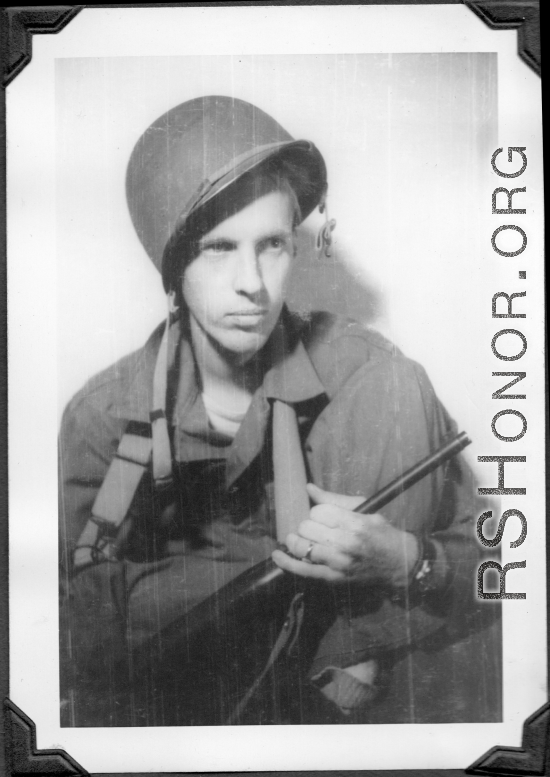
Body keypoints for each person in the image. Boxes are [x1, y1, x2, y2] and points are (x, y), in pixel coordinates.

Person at [59, 95, 501, 727]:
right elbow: (56, 623)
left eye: (273, 244)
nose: (253, 283)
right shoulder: (105, 419)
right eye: (218, 248)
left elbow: (501, 564)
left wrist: (406, 557)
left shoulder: (372, 378)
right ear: (173, 265)